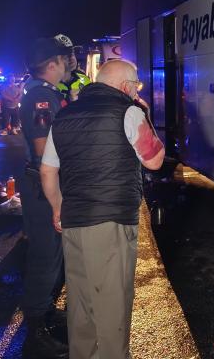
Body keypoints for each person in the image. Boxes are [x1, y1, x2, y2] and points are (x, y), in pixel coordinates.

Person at [40, 59, 165, 359]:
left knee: (81, 307)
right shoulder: (130, 111)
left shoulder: (65, 115)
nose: (136, 91)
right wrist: (146, 115)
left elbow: (47, 172)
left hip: (74, 224)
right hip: (110, 225)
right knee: (112, 308)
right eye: (135, 86)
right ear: (126, 86)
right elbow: (155, 160)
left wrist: (58, 207)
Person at [19, 37, 74, 358]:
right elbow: (44, 151)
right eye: (64, 59)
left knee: (53, 256)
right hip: (43, 187)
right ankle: (36, 330)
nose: (69, 63)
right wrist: (56, 202)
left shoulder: (45, 93)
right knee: (45, 257)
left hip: (44, 184)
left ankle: (45, 312)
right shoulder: (42, 96)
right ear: (52, 63)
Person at [54, 34, 91, 103]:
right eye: (65, 55)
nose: (71, 58)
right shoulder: (49, 84)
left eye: (72, 53)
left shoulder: (84, 79)